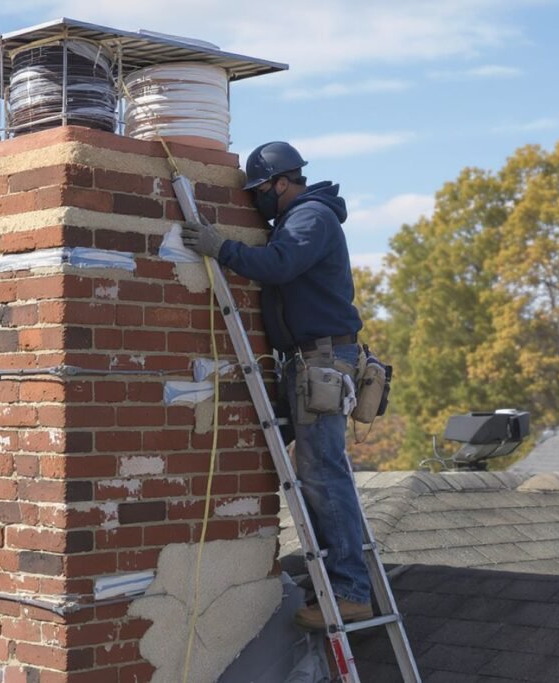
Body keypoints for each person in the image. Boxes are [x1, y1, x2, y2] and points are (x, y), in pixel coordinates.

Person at [181, 141, 371, 630]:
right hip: (308, 359)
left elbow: (281, 264)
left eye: (260, 190)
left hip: (321, 359)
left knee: (323, 471)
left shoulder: (310, 217)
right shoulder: (298, 217)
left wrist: (220, 247)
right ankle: (337, 575)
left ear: (281, 182)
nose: (258, 200)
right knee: (312, 469)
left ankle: (350, 589)